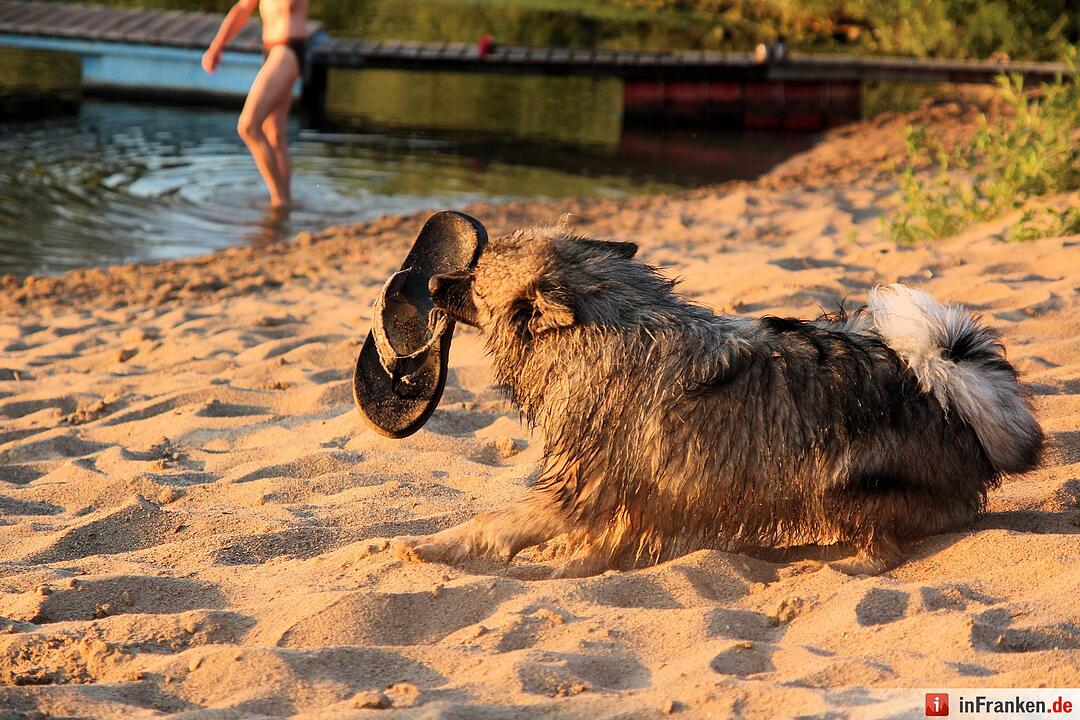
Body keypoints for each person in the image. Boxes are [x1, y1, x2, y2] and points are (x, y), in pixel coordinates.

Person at [202, 0, 311, 208]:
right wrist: (217, 46)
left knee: (248, 126)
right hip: (270, 49)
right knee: (275, 134)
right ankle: (286, 201)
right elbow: (243, 9)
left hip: (288, 49)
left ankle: (280, 201)